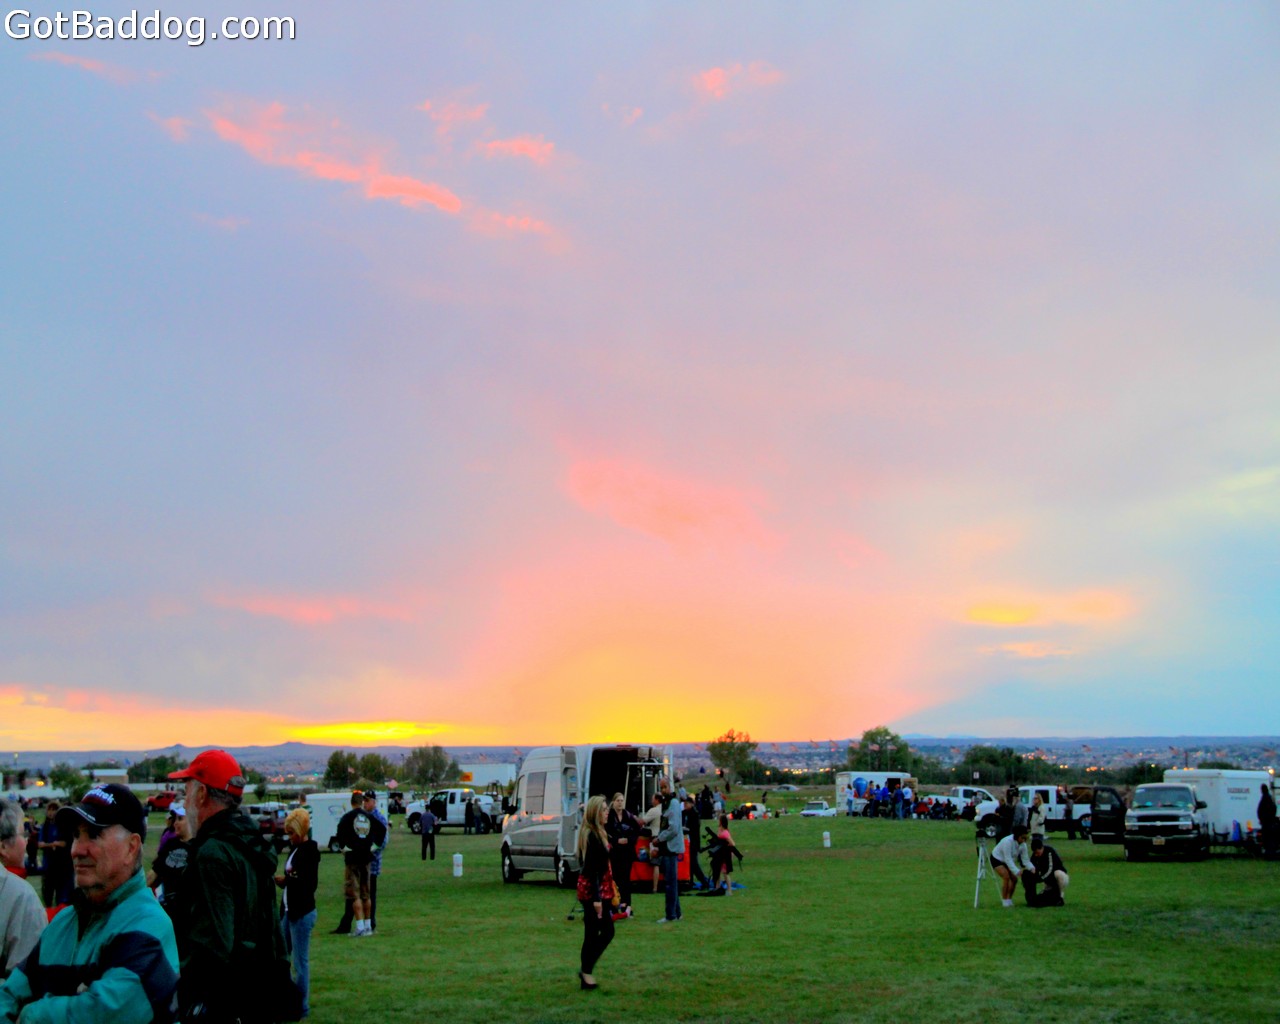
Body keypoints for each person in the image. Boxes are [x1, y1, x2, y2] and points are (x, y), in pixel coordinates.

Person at [0, 785, 178, 1022]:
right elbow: (9, 995)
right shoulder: (63, 923)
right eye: (76, 835)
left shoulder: (149, 925)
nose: (77, 850)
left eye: (93, 834)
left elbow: (105, 1013)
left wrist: (30, 1014)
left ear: (131, 847)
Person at [168, 749, 297, 1023]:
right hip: (258, 995)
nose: (185, 802)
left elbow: (214, 945)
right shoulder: (249, 843)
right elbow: (272, 930)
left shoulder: (213, 852)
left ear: (202, 794)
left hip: (224, 1003)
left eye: (187, 791)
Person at [275, 809, 318, 1018]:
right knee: (282, 959)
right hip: (288, 910)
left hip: (301, 913)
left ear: (301, 831)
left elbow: (309, 884)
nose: (290, 837)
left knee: (300, 963)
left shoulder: (310, 851)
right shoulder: (295, 850)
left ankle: (302, 1006)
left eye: (292, 833)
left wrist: (288, 880)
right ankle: (287, 1001)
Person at [0, 799, 45, 981]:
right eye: (23, 833)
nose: (26, 841)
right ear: (3, 846)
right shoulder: (21, 896)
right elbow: (24, 983)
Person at [334, 788, 386, 938]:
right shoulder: (368, 817)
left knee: (354, 894)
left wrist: (344, 849)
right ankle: (368, 926)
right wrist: (374, 846)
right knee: (366, 894)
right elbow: (382, 830)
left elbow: (339, 834)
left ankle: (360, 927)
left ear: (351, 803)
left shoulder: (347, 817)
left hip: (353, 859)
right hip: (367, 859)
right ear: (362, 802)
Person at [575, 795, 614, 991]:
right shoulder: (591, 836)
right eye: (604, 810)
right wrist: (597, 899)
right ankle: (586, 970)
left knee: (595, 932)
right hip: (594, 891)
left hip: (600, 889)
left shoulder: (599, 832)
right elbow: (592, 869)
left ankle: (586, 973)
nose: (607, 813)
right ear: (595, 813)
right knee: (601, 932)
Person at [146, 803, 190, 919]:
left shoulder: (198, 846)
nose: (175, 823)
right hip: (167, 906)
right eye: (175, 819)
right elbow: (154, 873)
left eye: (180, 819)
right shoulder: (171, 844)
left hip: (188, 911)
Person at [604, 793, 641, 914]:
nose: (620, 803)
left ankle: (627, 905)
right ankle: (615, 905)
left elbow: (637, 830)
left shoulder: (628, 816)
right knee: (615, 879)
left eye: (622, 800)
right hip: (615, 852)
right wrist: (616, 841)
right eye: (618, 801)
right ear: (613, 802)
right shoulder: (609, 816)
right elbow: (605, 832)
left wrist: (629, 840)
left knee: (626, 879)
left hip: (627, 852)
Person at [654, 778, 683, 924]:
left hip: (671, 847)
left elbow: (673, 828)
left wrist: (659, 838)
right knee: (671, 882)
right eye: (661, 787)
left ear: (670, 787)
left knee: (670, 884)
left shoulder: (673, 803)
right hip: (667, 847)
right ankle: (677, 912)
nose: (663, 790)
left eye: (665, 787)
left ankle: (670, 915)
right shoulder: (667, 803)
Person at [36, 803, 71, 910]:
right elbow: (40, 844)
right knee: (47, 894)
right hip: (48, 866)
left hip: (62, 866)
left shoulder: (63, 826)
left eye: (54, 809)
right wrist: (53, 844)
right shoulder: (45, 827)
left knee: (62, 897)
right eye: (49, 810)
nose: (51, 812)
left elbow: (65, 843)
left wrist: (53, 844)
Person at [989, 825, 1035, 908]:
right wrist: (1017, 871)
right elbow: (1008, 859)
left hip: (1008, 860)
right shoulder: (1007, 842)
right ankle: (1004, 900)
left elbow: (1025, 860)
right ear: (1017, 836)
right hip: (997, 859)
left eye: (1026, 838)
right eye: (1022, 838)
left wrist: (1032, 868)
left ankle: (1009, 899)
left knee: (1014, 879)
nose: (1024, 840)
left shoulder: (1023, 845)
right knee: (1006, 877)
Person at [362, 792, 389, 933]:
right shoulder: (363, 817)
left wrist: (369, 850)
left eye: (367, 801)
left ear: (374, 802)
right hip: (362, 862)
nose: (365, 803)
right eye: (364, 801)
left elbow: (383, 842)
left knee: (370, 894)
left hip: (373, 863)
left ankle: (371, 921)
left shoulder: (379, 818)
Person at [1027, 836, 1069, 907]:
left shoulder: (1049, 851)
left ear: (1041, 848)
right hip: (1049, 881)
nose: (1036, 855)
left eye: (1037, 852)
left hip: (1061, 877)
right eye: (1035, 853)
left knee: (1057, 873)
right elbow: (1032, 868)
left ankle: (1060, 897)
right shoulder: (1034, 856)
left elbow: (1050, 869)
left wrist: (1040, 879)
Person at [682, 795, 709, 890]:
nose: (685, 805)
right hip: (688, 841)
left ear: (691, 804)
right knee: (690, 863)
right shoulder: (685, 813)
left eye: (686, 803)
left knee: (693, 863)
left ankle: (703, 881)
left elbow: (694, 830)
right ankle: (690, 881)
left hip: (693, 842)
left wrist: (686, 829)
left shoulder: (694, 814)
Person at [709, 813, 741, 894]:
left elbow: (732, 843)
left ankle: (729, 890)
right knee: (716, 870)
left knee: (725, 872)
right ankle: (717, 887)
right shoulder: (720, 830)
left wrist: (726, 846)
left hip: (726, 854)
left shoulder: (725, 832)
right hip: (720, 853)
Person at [640, 793, 663, 894]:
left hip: (655, 838)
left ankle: (655, 888)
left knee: (656, 863)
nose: (651, 800)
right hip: (665, 838)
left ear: (657, 800)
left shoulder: (654, 810)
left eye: (652, 799)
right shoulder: (665, 809)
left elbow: (642, 821)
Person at [1257, 784, 1277, 859]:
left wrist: (1261, 819)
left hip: (1266, 822)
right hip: (1270, 822)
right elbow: (1274, 808)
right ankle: (1271, 854)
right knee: (1270, 839)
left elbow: (1260, 810)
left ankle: (1268, 854)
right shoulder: (1269, 798)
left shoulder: (1264, 798)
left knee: (1267, 839)